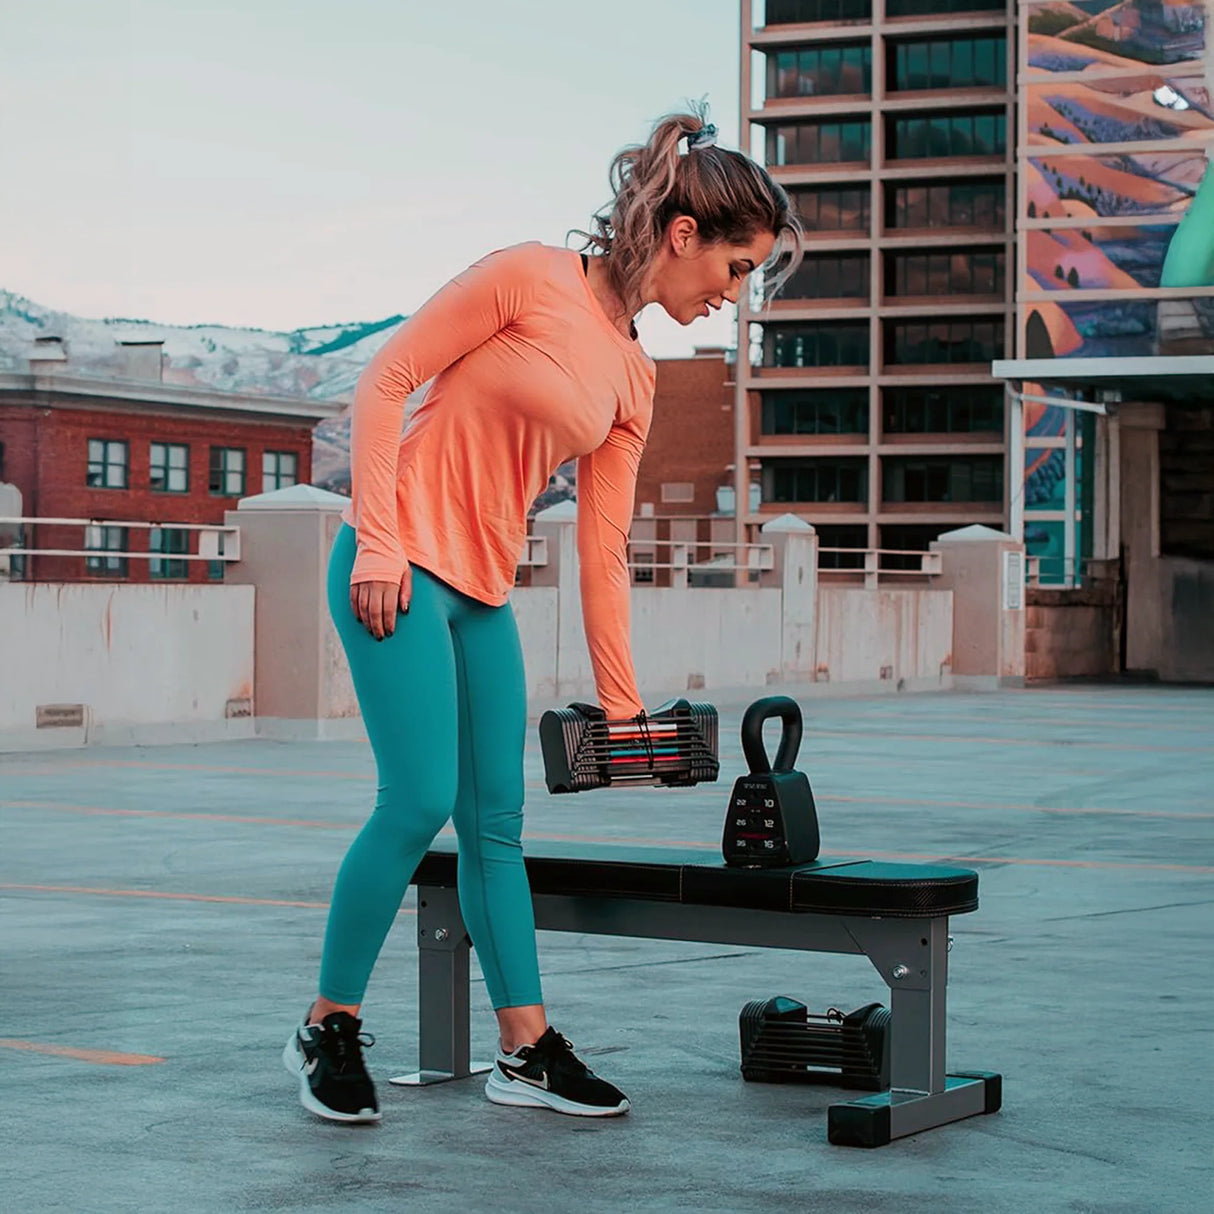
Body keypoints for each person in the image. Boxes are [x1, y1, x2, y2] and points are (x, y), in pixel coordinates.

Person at [283, 107, 803, 1123]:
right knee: (417, 796)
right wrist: (380, 539)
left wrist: (621, 706)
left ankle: (523, 1047)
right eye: (736, 268)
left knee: (495, 825)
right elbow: (386, 378)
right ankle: (325, 1024)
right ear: (682, 235)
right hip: (392, 565)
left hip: (479, 593)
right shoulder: (528, 276)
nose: (734, 295)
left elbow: (600, 549)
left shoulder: (634, 376)